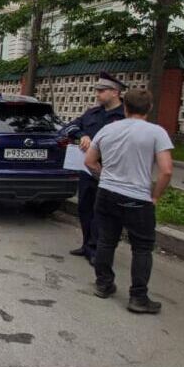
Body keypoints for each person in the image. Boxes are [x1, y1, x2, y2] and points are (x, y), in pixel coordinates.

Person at [85, 89, 173, 314]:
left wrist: (104, 176)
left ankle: (103, 284)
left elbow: (89, 161)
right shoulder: (156, 132)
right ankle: (138, 297)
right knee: (142, 248)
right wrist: (155, 196)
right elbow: (166, 171)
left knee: (106, 241)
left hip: (106, 194)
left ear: (125, 107)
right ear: (149, 108)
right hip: (137, 198)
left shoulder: (108, 129)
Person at [64, 71, 126, 264]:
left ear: (115, 92)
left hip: (109, 172)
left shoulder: (124, 116)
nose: (97, 94)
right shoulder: (92, 113)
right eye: (97, 90)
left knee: (102, 212)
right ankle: (86, 244)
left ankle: (96, 249)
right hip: (87, 171)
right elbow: (69, 128)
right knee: (85, 208)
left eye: (102, 90)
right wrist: (82, 135)